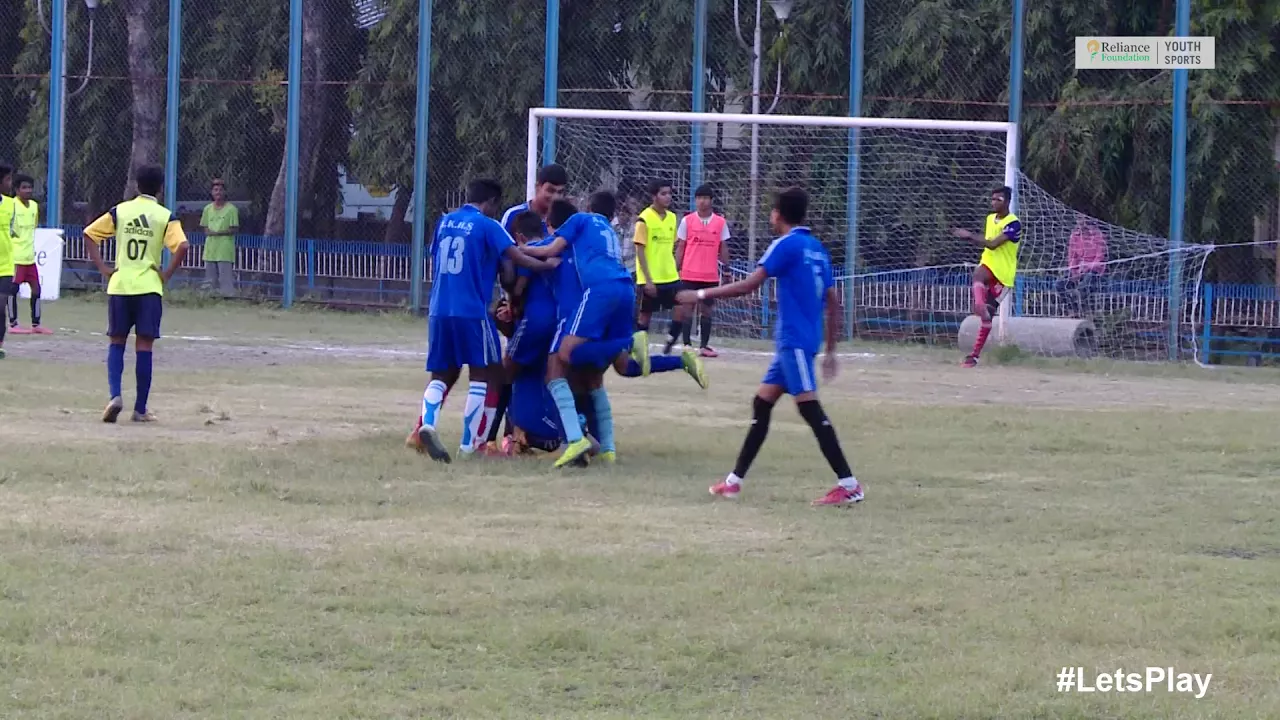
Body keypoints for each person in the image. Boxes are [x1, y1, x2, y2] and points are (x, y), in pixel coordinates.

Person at [677, 187, 864, 506]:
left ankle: (849, 485)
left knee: (809, 408)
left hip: (795, 342)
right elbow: (834, 302)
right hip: (795, 343)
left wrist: (700, 295)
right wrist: (830, 350)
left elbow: (750, 285)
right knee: (762, 404)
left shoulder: (786, 245)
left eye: (771, 211)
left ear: (778, 214)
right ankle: (733, 482)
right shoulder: (817, 248)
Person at [408, 178, 559, 464]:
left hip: (439, 309)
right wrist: (546, 265)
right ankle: (472, 444)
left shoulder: (444, 222)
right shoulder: (489, 226)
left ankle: (427, 424)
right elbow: (515, 260)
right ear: (491, 203)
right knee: (487, 374)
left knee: (441, 373)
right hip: (471, 311)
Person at [525, 193, 637, 468]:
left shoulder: (574, 228)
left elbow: (548, 251)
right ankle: (607, 447)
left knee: (555, 370)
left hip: (577, 311)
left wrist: (515, 249)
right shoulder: (606, 233)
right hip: (620, 293)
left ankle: (575, 438)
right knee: (594, 380)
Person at [82, 165, 190, 423]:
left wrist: (104, 269)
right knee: (144, 345)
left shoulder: (120, 211)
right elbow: (183, 245)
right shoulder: (164, 216)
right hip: (148, 288)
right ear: (160, 188)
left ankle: (115, 396)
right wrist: (165, 275)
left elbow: (89, 234)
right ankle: (140, 409)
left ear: (136, 185)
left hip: (120, 285)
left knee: (116, 341)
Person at [950, 186, 1020, 368]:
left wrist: (969, 236)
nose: (994, 202)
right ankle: (979, 305)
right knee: (978, 274)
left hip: (1004, 274)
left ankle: (974, 355)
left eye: (999, 199)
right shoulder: (990, 219)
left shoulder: (1014, 223)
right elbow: (988, 245)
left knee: (987, 319)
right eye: (993, 199)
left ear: (1007, 202)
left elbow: (993, 244)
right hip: (989, 263)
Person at [675, 184, 731, 357]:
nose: (702, 201)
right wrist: (676, 269)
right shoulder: (687, 221)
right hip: (689, 273)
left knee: (707, 310)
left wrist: (727, 270)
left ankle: (704, 346)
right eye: (699, 198)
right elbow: (681, 246)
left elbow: (723, 247)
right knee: (687, 308)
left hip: (709, 275)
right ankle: (686, 344)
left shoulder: (720, 222)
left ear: (711, 201)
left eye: (705, 198)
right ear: (695, 200)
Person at [633, 179, 685, 354]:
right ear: (654, 196)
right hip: (650, 277)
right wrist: (647, 280)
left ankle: (669, 343)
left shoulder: (672, 218)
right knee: (645, 314)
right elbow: (640, 251)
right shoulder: (643, 219)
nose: (668, 197)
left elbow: (673, 245)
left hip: (670, 275)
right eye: (663, 193)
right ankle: (639, 350)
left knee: (681, 307)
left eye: (669, 193)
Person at [8, 174, 46, 334]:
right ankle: (13, 323)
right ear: (16, 190)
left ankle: (36, 324)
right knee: (12, 291)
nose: (28, 190)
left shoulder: (34, 206)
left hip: (29, 258)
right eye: (24, 187)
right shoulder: (11, 206)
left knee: (36, 289)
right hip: (15, 258)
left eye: (30, 187)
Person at [1058, 214, 1106, 317]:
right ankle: (1073, 309)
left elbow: (1100, 257)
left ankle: (1087, 312)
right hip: (1078, 270)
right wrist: (1074, 270)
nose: (1080, 222)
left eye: (1082, 219)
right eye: (1078, 219)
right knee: (1059, 284)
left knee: (1083, 286)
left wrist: (1087, 267)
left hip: (1094, 271)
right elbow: (1072, 257)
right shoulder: (1074, 236)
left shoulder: (1097, 236)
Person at [199, 178, 240, 297]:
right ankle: (209, 297)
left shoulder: (231, 209)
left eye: (220, 190)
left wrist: (218, 233)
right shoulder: (207, 209)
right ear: (212, 192)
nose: (218, 192)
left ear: (225, 192)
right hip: (210, 249)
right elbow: (205, 227)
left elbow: (234, 228)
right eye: (215, 190)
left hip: (225, 249)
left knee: (225, 277)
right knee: (209, 278)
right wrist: (210, 232)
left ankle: (227, 297)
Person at [0, 163, 14, 358]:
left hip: (5, 264)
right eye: (8, 179)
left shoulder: (11, 204)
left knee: (0, 304)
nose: (10, 183)